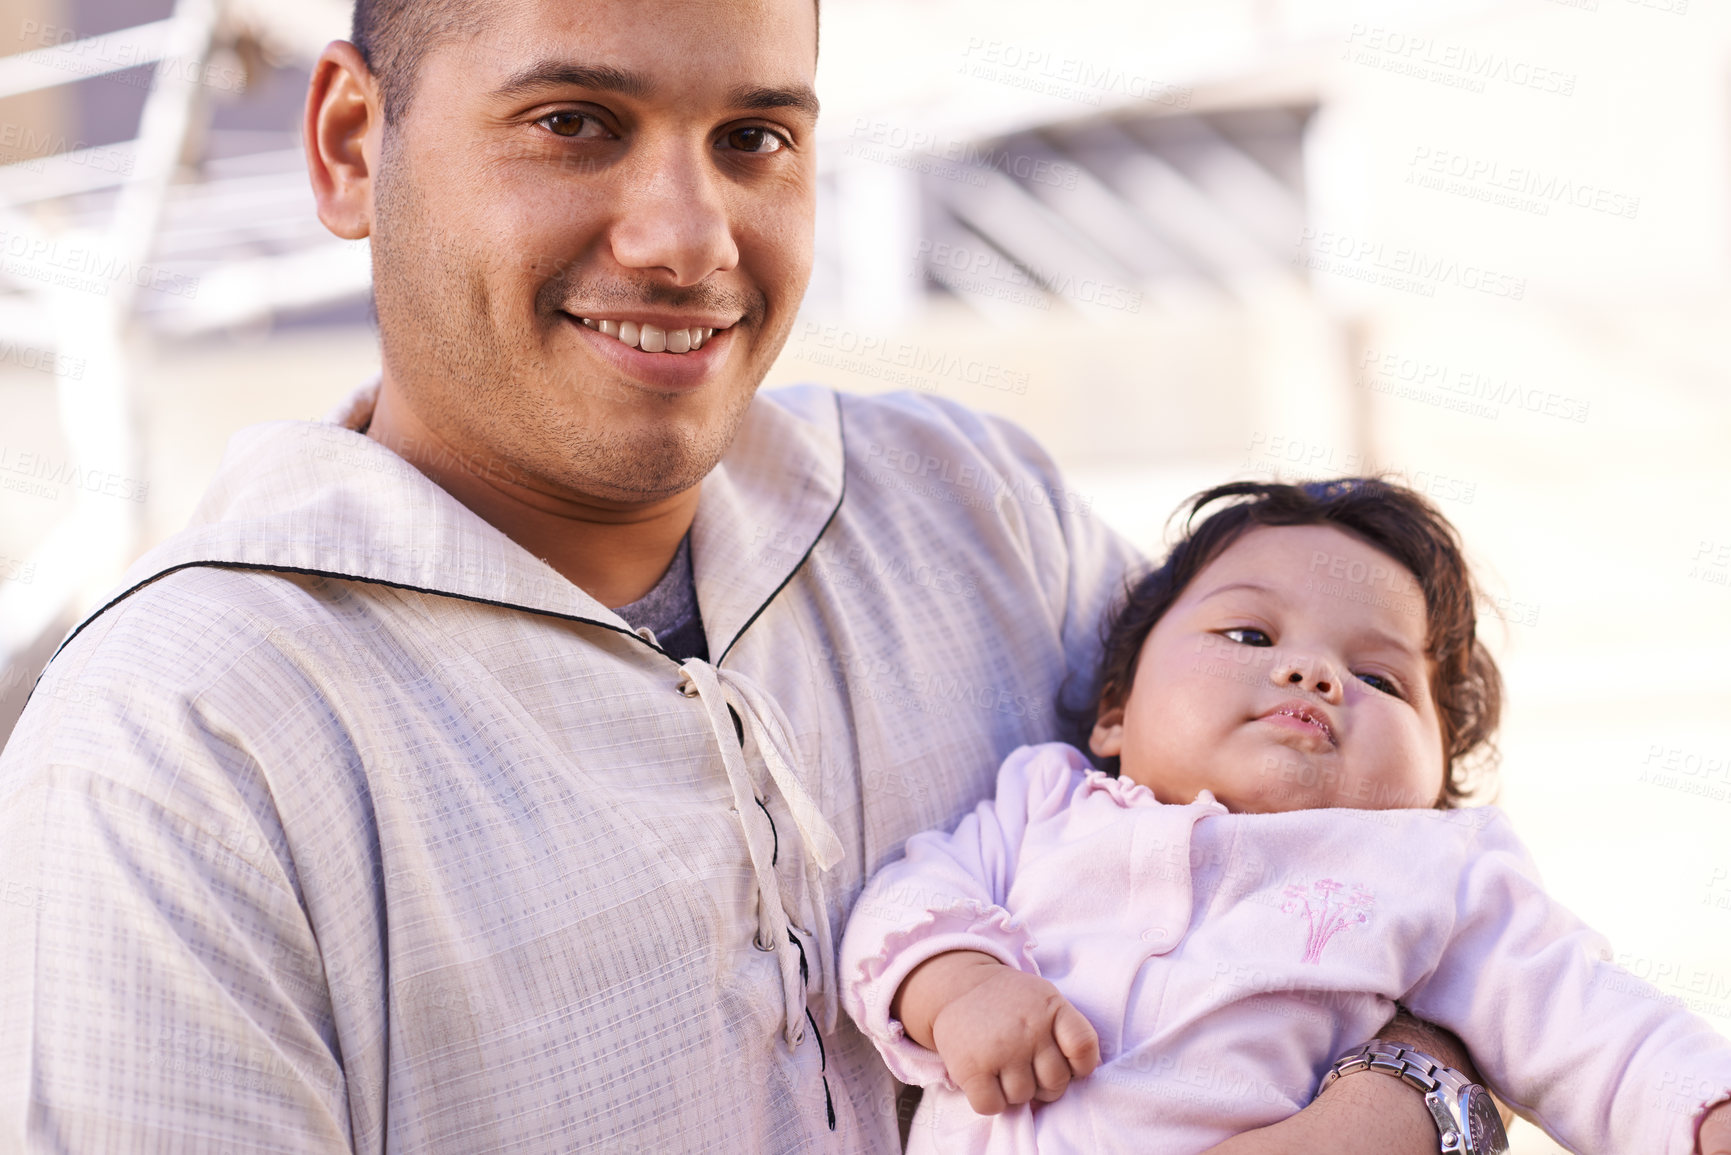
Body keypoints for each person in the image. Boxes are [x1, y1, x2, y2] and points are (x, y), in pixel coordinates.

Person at [0, 1, 1523, 1150]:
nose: (686, 237)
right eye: (574, 122)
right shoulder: (179, 745)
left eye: (754, 139)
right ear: (349, 145)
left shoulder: (970, 511)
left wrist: (1408, 1102)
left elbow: (1415, 889)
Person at [841, 479, 1731, 1155]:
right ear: (1114, 708)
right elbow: (902, 899)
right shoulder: (1042, 800)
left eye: (1380, 678)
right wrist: (958, 984)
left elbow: (1588, 1021)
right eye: (1250, 636)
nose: (1314, 673)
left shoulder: (1428, 869)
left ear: (1432, 781)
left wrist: (1706, 1108)